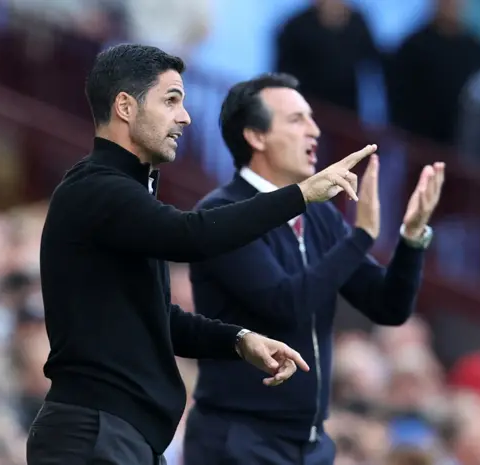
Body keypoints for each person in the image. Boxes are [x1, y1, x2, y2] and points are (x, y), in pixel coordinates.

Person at [26, 45, 378, 465]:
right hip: (94, 434)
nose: (185, 117)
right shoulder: (96, 188)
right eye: (171, 100)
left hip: (122, 437)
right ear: (124, 106)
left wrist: (239, 340)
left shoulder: (125, 196)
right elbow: (190, 236)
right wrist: (301, 195)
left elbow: (160, 318)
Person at [183, 73, 444, 465]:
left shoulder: (320, 214)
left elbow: (388, 306)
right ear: (256, 136)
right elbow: (284, 303)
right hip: (240, 440)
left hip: (311, 444)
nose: (315, 130)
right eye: (296, 120)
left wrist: (411, 236)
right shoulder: (221, 213)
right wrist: (361, 237)